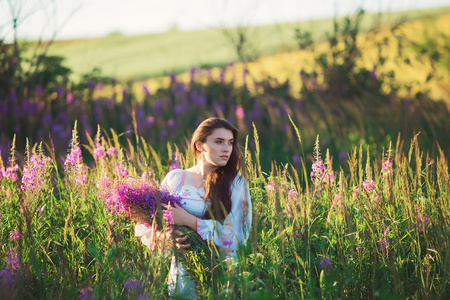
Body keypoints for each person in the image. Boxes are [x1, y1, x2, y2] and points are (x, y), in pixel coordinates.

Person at [135, 117, 252, 299]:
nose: (226, 149)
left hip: (219, 275)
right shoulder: (176, 178)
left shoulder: (236, 184)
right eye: (219, 142)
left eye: (230, 143)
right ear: (200, 145)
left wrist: (191, 221)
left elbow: (238, 236)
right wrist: (165, 238)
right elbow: (148, 225)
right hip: (182, 275)